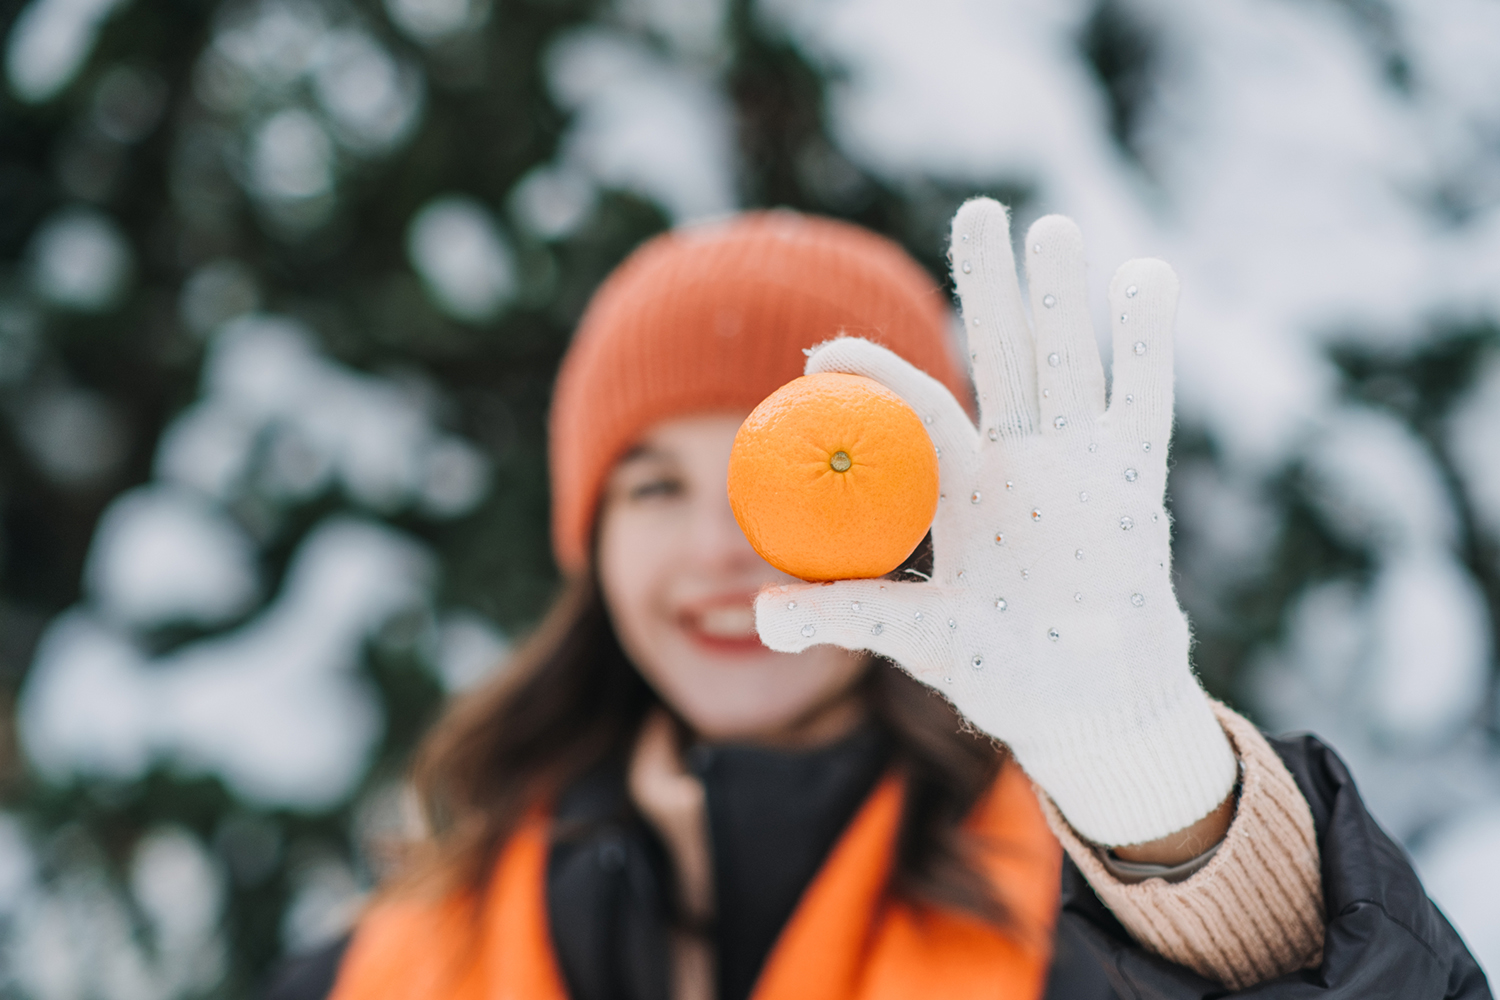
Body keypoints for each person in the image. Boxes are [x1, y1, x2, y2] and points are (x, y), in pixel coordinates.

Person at [268, 201, 1491, 1000]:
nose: (719, 547)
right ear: (588, 544)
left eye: (771, 472)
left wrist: (1165, 809)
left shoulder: (1074, 920)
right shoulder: (400, 949)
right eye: (651, 485)